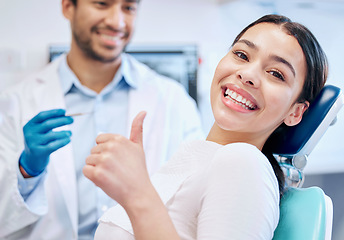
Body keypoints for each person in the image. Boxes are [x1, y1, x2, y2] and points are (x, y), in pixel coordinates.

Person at [83, 14, 328, 239]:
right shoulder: (193, 159)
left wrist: (137, 194)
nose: (247, 74)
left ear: (295, 112)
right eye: (241, 55)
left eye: (276, 73)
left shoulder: (244, 163)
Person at [0, 0, 204, 239]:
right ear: (68, 7)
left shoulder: (173, 100)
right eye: (102, 4)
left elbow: (195, 204)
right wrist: (26, 171)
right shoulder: (16, 102)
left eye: (128, 8)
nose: (116, 21)